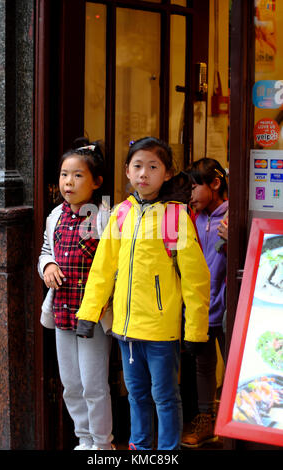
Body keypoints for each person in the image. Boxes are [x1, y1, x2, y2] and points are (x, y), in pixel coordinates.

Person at [76, 137, 210, 450]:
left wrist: (195, 330)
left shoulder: (176, 217)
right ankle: (140, 448)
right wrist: (88, 313)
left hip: (161, 330)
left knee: (164, 397)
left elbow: (196, 279)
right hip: (125, 329)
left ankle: (167, 451)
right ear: (127, 171)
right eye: (137, 166)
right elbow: (103, 269)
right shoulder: (121, 213)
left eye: (153, 167)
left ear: (167, 173)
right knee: (136, 395)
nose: (144, 174)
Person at [38, 138, 114, 450]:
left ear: (96, 182)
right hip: (62, 312)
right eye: (64, 175)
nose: (69, 182)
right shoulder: (55, 215)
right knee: (71, 384)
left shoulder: (105, 216)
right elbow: (45, 251)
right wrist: (48, 266)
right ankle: (83, 440)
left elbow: (115, 264)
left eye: (78, 175)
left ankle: (102, 443)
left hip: (92, 314)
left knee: (94, 385)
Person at [181, 157, 228, 448]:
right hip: (199, 307)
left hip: (226, 307)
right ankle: (205, 421)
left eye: (194, 186)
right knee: (203, 365)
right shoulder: (192, 219)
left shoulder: (231, 216)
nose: (190, 194)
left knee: (233, 363)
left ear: (214, 183)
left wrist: (237, 237)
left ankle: (239, 424)